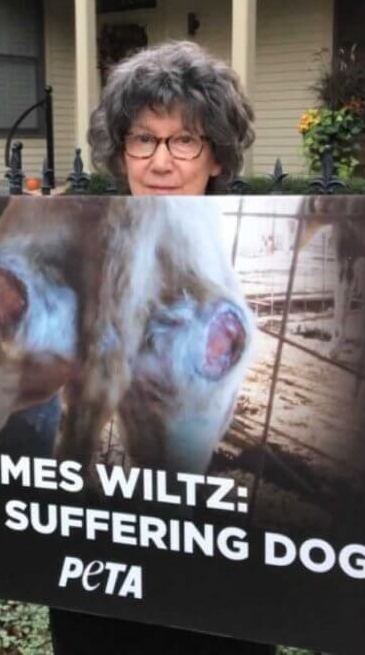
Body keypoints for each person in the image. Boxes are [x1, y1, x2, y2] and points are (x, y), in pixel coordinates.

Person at [49, 41, 275, 655]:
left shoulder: (231, 249)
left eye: (185, 141)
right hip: (95, 556)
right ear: (120, 152)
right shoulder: (85, 236)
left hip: (211, 558)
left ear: (217, 155)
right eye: (143, 140)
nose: (161, 162)